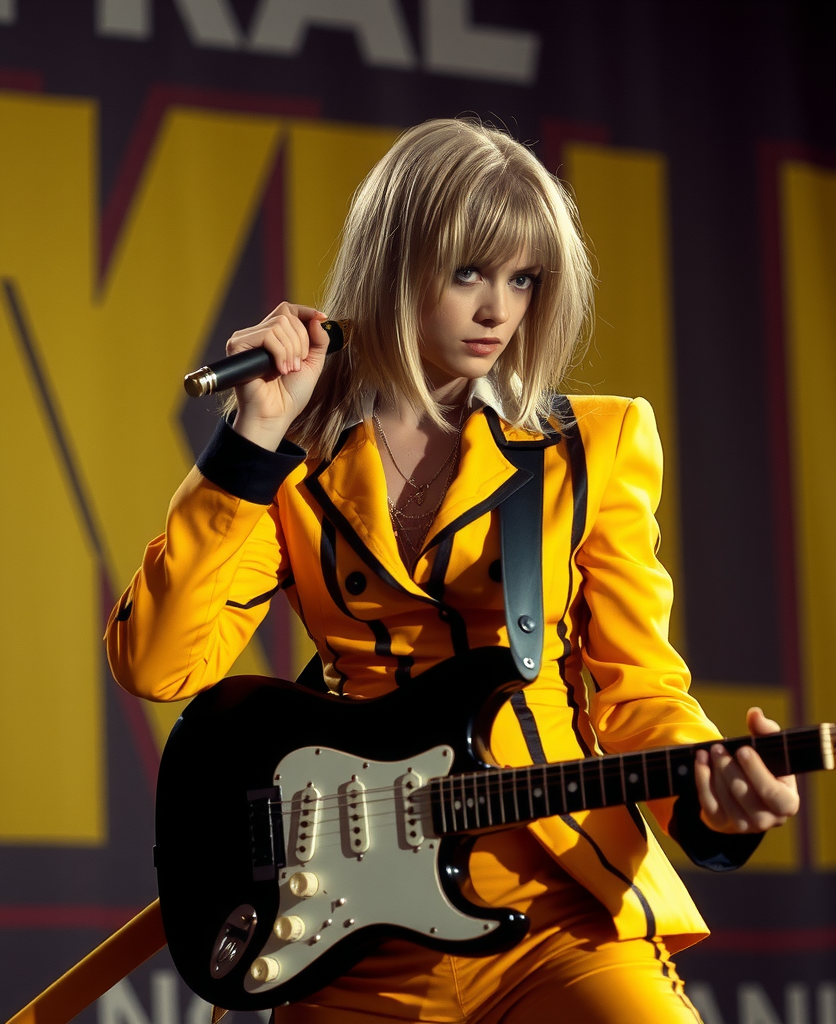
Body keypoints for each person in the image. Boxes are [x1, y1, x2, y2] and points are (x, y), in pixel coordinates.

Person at [106, 118, 798, 1024]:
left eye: (523, 279)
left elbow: (638, 693)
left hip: (559, 909)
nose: (498, 310)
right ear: (392, 267)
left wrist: (718, 811)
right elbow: (158, 664)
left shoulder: (589, 450)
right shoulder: (296, 464)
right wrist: (254, 438)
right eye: (468, 271)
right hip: (347, 927)